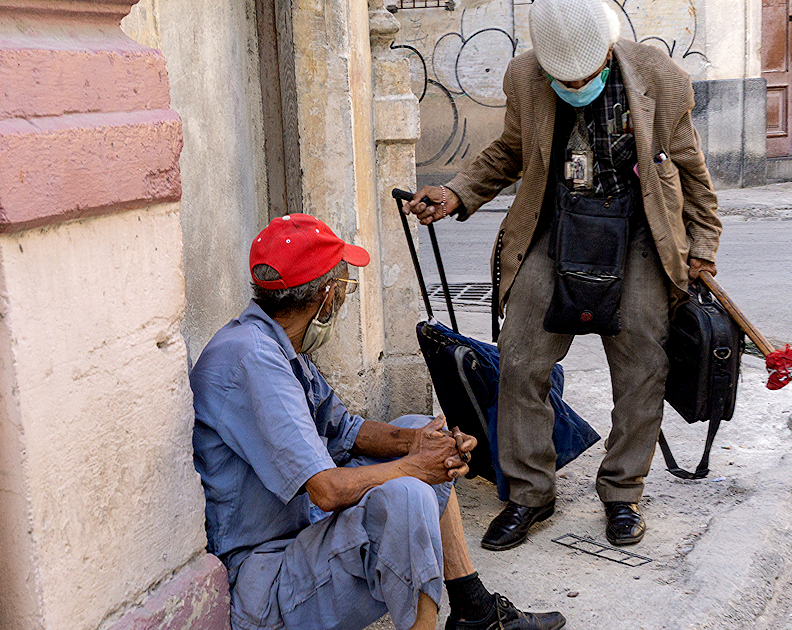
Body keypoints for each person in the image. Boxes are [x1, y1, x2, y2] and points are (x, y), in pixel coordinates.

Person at [404, 0, 721, 551]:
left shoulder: (660, 78)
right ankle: (531, 494)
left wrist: (703, 248)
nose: (575, 84)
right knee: (521, 361)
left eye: (586, 75)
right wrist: (457, 191)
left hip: (640, 232)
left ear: (606, 52)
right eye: (563, 78)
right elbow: (510, 151)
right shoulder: (525, 76)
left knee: (644, 367)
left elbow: (691, 167)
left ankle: (623, 492)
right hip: (554, 230)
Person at [190, 213, 566, 630]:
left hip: (300, 535)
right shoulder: (251, 360)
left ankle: (472, 608)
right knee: (409, 496)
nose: (345, 300)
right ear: (328, 295)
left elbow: (345, 430)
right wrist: (414, 466)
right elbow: (327, 492)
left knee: (423, 434)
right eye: (346, 288)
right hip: (265, 581)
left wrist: (425, 444)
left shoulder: (278, 344)